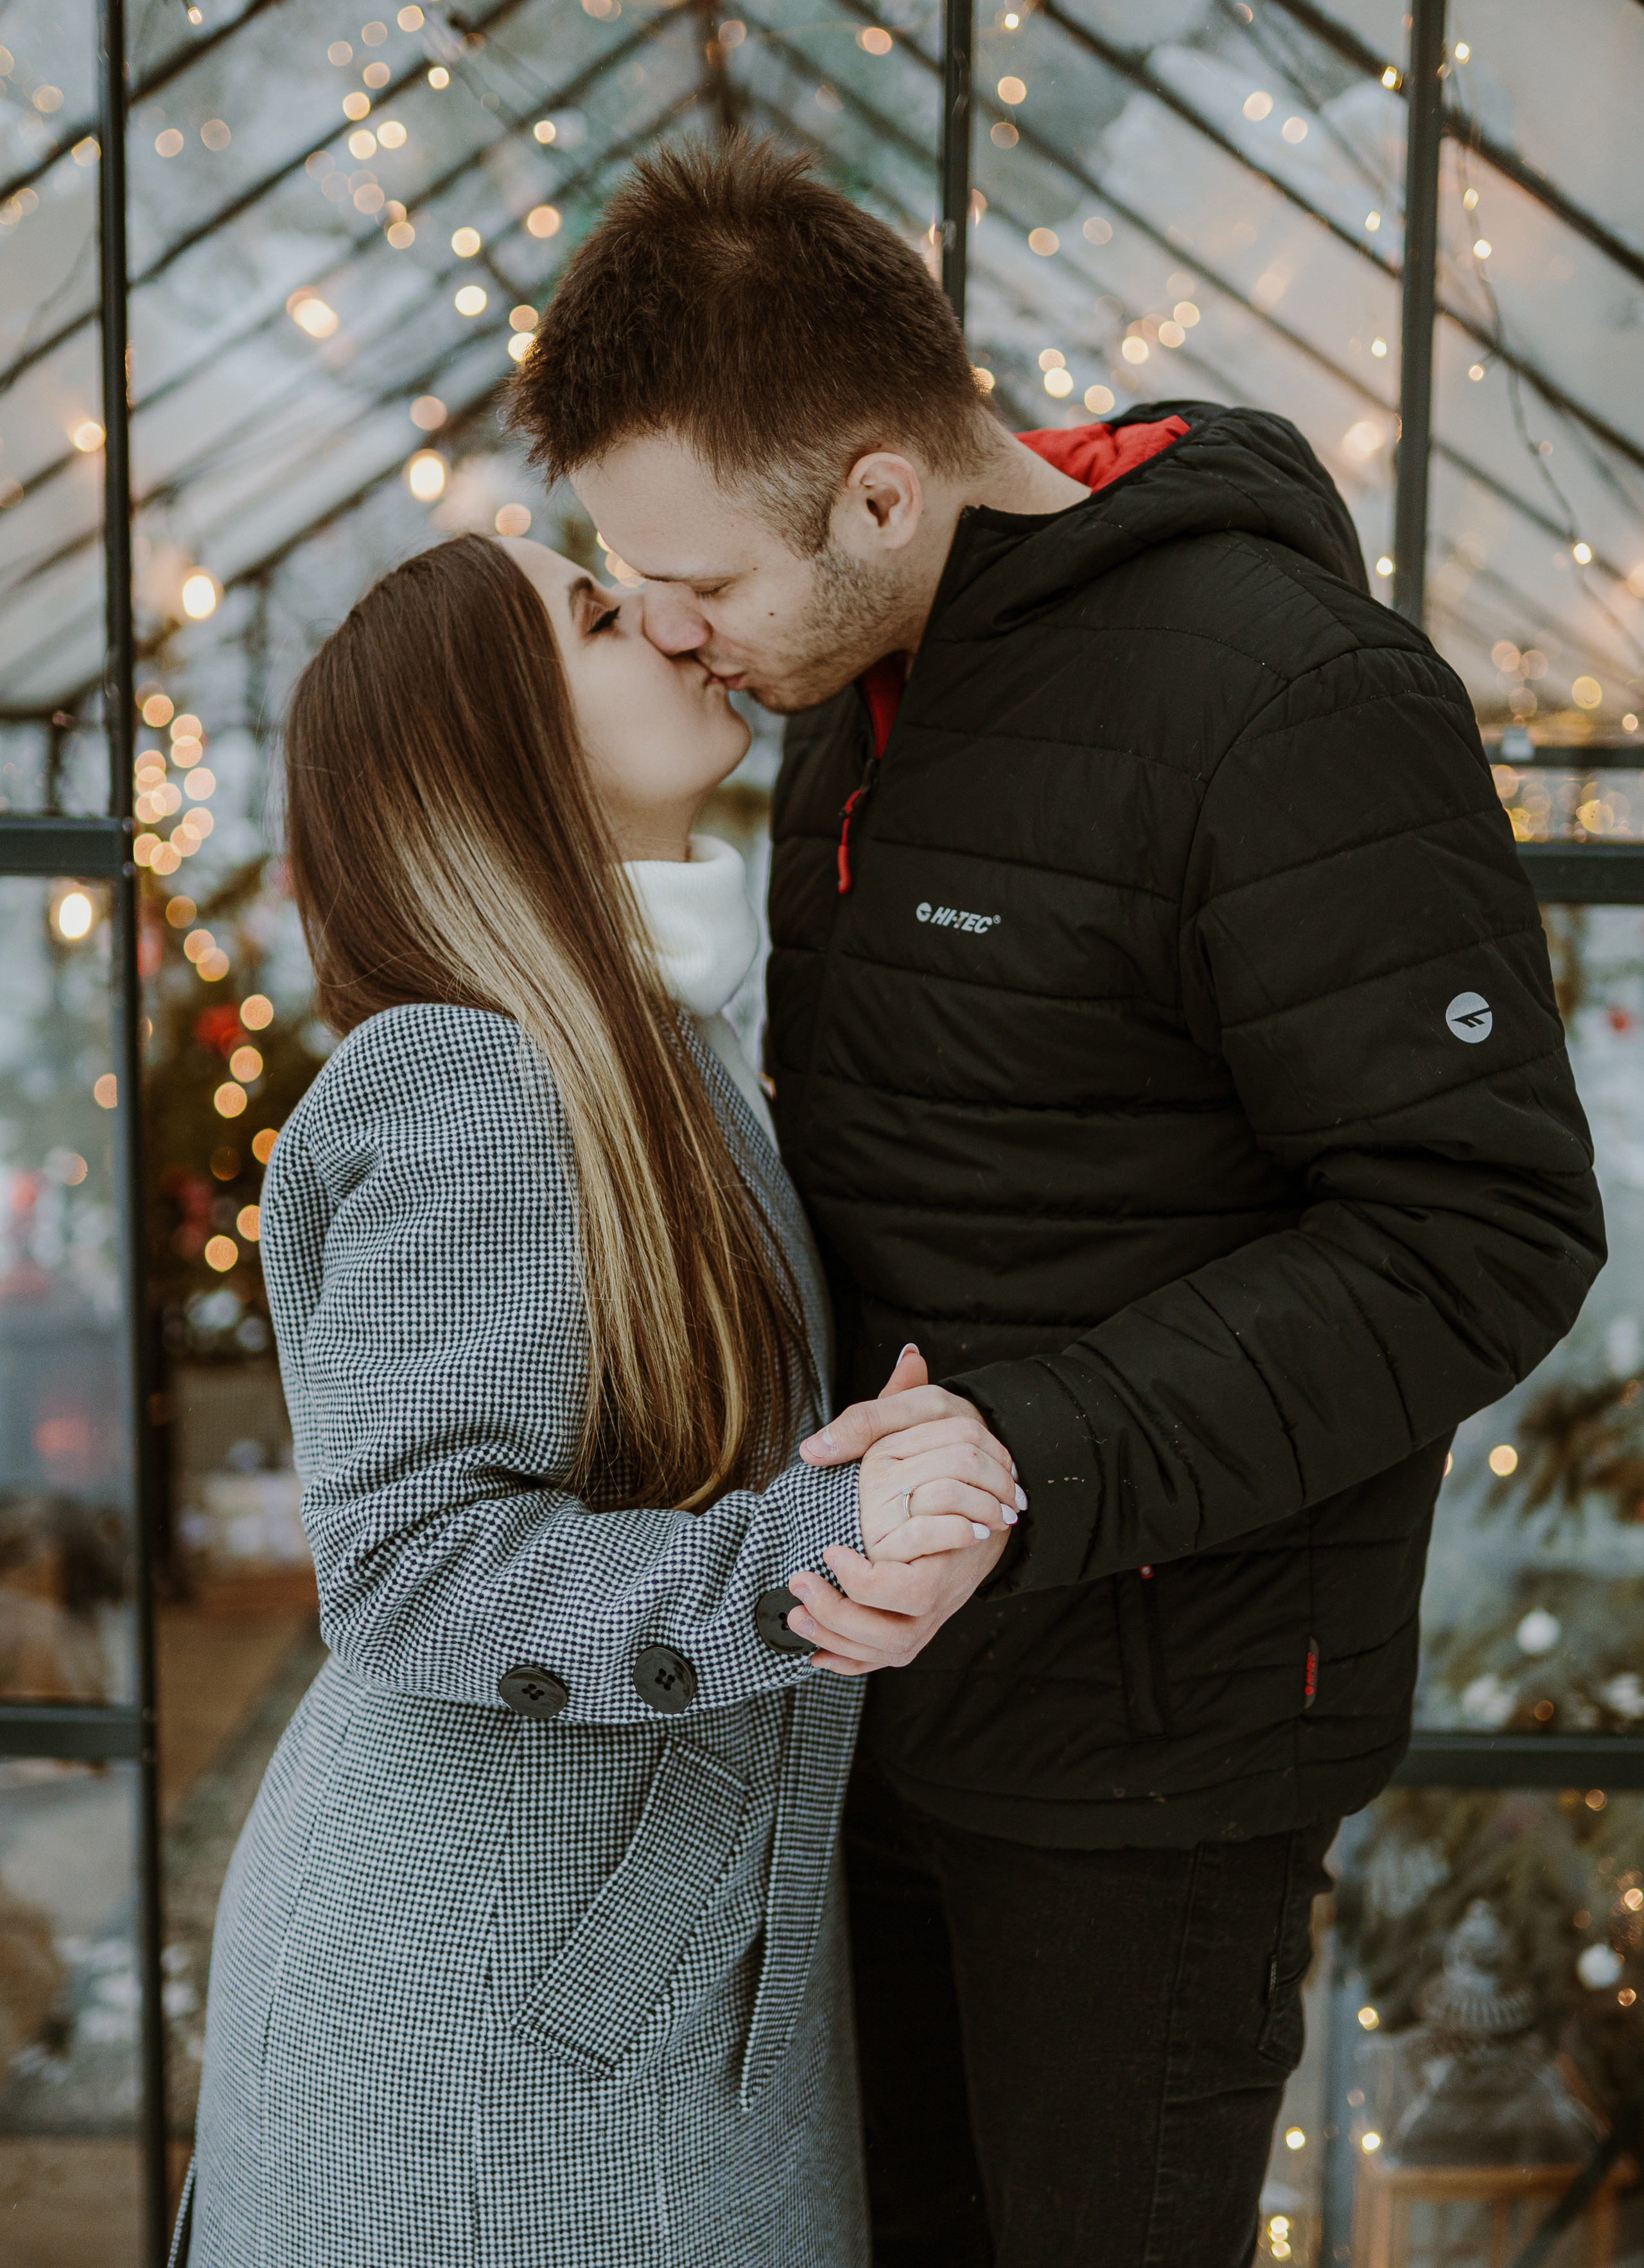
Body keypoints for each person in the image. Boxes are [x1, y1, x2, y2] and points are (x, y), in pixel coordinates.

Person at [509, 139, 1606, 2266]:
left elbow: (1485, 1228)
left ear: (883, 492)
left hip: (1150, 1755)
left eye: (704, 584)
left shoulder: (1288, 703)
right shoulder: (847, 695)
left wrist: (1032, 1454)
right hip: (862, 1699)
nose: (667, 630)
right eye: (629, 576)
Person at [181, 531, 1023, 2268]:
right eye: (592, 611)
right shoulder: (474, 1067)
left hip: (616, 1981)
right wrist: (823, 1541)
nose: (668, 618)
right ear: (499, 736)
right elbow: (412, 1560)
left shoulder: (648, 1037)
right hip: (491, 2017)